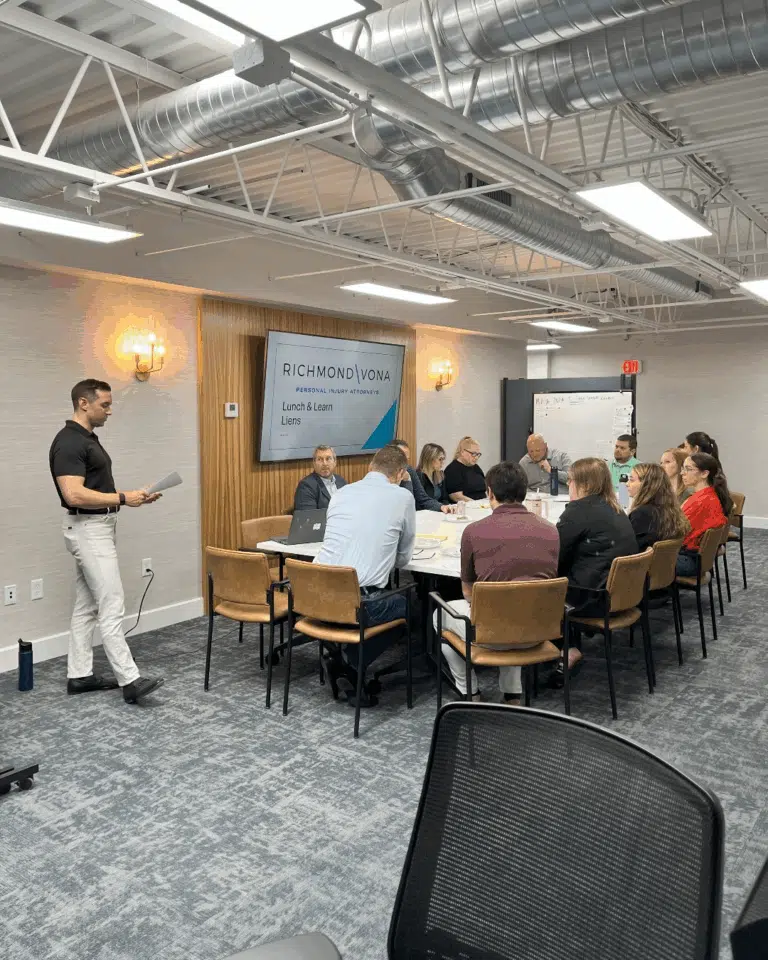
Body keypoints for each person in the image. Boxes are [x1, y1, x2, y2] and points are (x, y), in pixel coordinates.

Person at [49, 379, 164, 704]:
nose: (110, 411)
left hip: (95, 526)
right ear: (84, 403)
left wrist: (131, 497)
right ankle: (130, 681)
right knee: (112, 604)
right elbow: (72, 493)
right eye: (105, 405)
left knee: (87, 606)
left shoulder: (86, 439)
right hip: (88, 529)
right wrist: (124, 497)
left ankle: (80, 675)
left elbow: (94, 487)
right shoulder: (69, 442)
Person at [434, 461, 559, 704]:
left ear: (489, 492)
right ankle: (513, 692)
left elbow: (468, 593)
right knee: (517, 603)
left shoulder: (473, 531)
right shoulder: (551, 530)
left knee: (438, 616)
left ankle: (469, 690)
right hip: (539, 629)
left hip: (491, 633)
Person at [314, 444, 415, 703]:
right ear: (401, 473)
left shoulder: (341, 493)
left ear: (370, 467)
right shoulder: (402, 497)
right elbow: (403, 559)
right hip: (358, 602)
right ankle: (351, 659)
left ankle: (343, 654)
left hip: (313, 595)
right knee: (412, 605)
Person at [551, 457, 638, 686]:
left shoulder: (579, 510)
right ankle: (568, 644)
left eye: (570, 480)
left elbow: (554, 556)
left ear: (583, 484)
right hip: (619, 592)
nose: (568, 484)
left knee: (541, 587)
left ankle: (566, 649)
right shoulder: (615, 507)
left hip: (592, 597)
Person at [676, 453, 731, 577]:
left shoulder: (700, 502)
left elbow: (675, 532)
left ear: (704, 474)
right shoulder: (708, 495)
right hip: (697, 558)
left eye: (688, 469)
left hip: (689, 560)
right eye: (683, 468)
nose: (682, 473)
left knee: (642, 559)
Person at [627, 463, 690, 551]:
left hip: (646, 563)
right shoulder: (670, 509)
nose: (627, 484)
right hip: (667, 562)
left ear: (646, 484)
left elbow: (631, 550)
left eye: (631, 480)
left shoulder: (641, 514)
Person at [392, 439, 452, 513]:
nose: (405, 463)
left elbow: (422, 498)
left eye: (407, 459)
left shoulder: (410, 470)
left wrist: (441, 506)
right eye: (440, 459)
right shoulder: (383, 472)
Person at [293, 445, 347, 511]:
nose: (324, 463)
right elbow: (308, 517)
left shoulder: (341, 482)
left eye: (328, 459)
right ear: (314, 463)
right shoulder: (306, 486)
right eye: (320, 459)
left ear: (335, 462)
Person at [444, 436, 487, 502]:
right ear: (462, 452)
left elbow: (485, 489)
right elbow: (457, 497)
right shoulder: (452, 470)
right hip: (467, 508)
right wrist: (477, 504)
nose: (476, 457)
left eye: (478, 454)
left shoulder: (476, 467)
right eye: (473, 454)